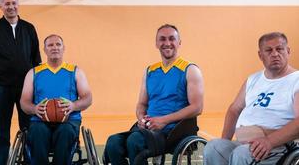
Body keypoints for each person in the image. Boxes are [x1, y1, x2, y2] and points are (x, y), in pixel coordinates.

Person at [104, 24, 204, 165]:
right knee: (113, 143)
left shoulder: (190, 70)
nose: (167, 43)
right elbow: (142, 104)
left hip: (174, 132)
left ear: (179, 43)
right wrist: (141, 118)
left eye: (172, 39)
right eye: (162, 39)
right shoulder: (150, 71)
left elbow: (197, 107)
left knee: (135, 141)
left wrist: (163, 120)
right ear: (157, 44)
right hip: (149, 130)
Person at [203, 32, 299, 165]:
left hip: (278, 146)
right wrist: (224, 140)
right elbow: (234, 109)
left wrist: (270, 141)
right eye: (269, 50)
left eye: (279, 49)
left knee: (242, 154)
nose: (275, 54)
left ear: (288, 51)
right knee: (214, 147)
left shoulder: (296, 80)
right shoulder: (253, 80)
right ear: (261, 55)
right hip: (244, 143)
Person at [20, 34, 92, 165]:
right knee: (36, 131)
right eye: (50, 45)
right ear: (45, 50)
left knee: (65, 131)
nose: (54, 48)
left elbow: (88, 98)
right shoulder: (33, 73)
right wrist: (34, 109)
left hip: (69, 120)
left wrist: (73, 106)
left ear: (64, 48)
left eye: (58, 44)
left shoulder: (75, 71)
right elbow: (24, 102)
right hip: (40, 120)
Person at [0, 0, 41, 164]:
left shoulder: (29, 28)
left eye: (13, 3)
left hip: (26, 88)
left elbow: (36, 58)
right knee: (1, 128)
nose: (11, 7)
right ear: (1, 7)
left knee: (28, 128)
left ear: (18, 4)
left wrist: (37, 84)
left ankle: (28, 160)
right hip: (2, 86)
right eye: (7, 4)